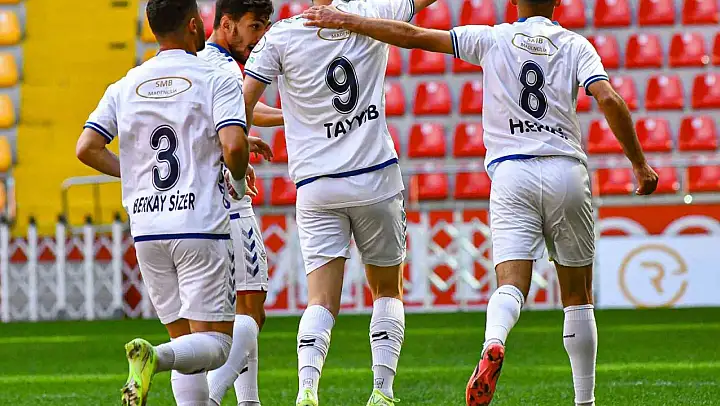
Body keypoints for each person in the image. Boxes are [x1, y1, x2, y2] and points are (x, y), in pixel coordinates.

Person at [301, 1, 659, 405]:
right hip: (566, 170)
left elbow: (412, 36)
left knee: (511, 285)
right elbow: (608, 98)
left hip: (512, 173)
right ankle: (584, 401)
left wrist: (348, 20)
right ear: (558, 1)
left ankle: (494, 341)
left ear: (513, 2)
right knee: (577, 296)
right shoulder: (576, 45)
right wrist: (639, 164)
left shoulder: (491, 38)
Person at [242, 1, 437, 405]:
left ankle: (307, 388)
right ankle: (382, 391)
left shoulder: (281, 35)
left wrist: (239, 150)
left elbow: (242, 102)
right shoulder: (374, 10)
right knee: (387, 290)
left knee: (321, 300)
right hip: (375, 177)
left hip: (317, 185)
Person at [75, 0, 253, 405]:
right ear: (193, 25)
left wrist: (135, 176)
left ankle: (157, 358)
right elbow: (233, 145)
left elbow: (86, 147)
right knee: (216, 345)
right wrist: (240, 180)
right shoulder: (215, 77)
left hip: (147, 229)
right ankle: (153, 356)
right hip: (198, 225)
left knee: (184, 340)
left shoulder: (126, 84)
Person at [196, 0, 280, 405]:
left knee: (232, 313)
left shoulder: (197, 63)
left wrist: (244, 138)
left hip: (195, 204)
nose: (260, 37)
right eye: (254, 26)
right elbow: (241, 109)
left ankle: (249, 401)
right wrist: (239, 168)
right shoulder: (227, 68)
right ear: (227, 24)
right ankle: (211, 398)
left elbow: (222, 118)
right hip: (228, 198)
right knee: (252, 309)